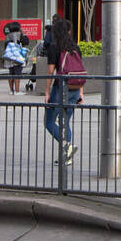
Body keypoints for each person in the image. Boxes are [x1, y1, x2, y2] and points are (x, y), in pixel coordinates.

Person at [43, 18, 83, 164]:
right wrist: (81, 92)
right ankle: (67, 156)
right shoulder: (75, 47)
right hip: (75, 89)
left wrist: (47, 92)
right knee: (65, 122)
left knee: (49, 122)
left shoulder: (54, 47)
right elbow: (79, 70)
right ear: (69, 31)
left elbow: (50, 71)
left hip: (60, 89)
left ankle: (68, 147)